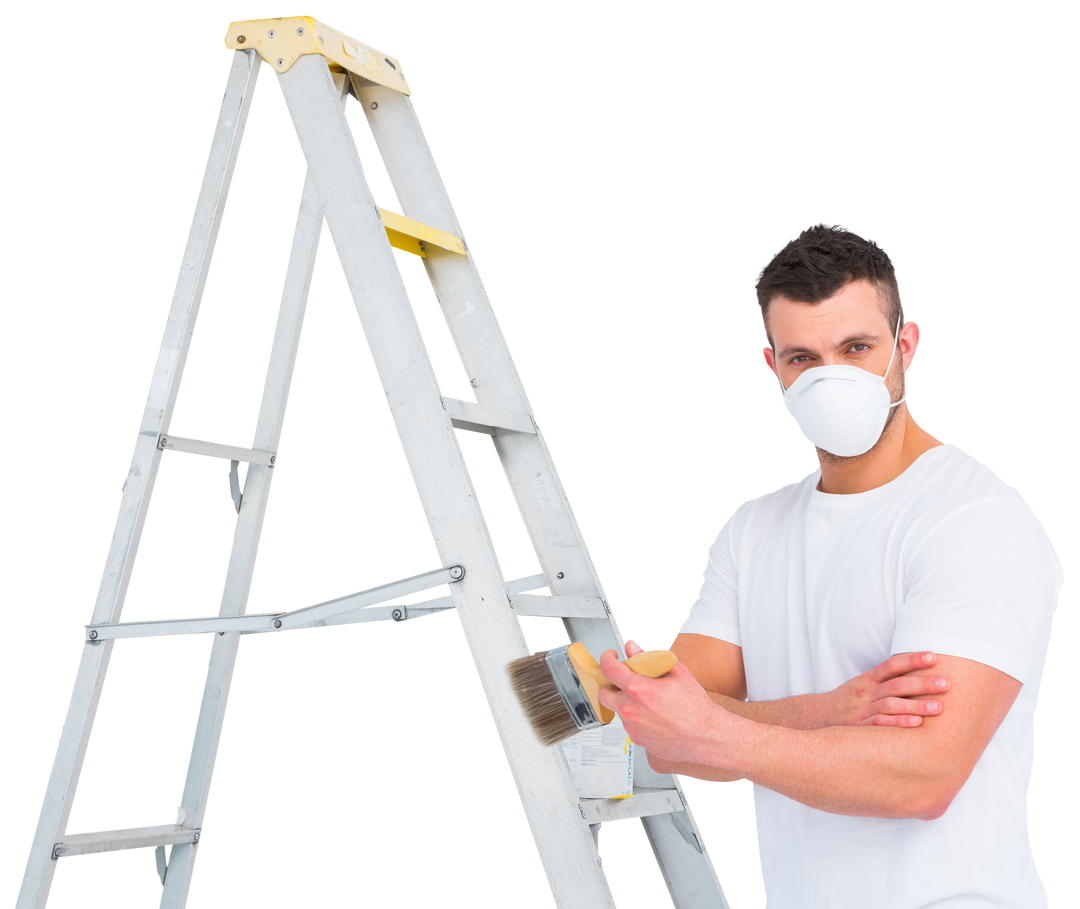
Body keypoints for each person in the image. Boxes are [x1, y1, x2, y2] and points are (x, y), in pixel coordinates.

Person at [597, 220, 1063, 907]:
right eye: (802, 358)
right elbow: (669, 738)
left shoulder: (976, 518)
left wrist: (719, 727)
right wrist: (824, 710)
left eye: (856, 347)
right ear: (772, 368)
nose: (830, 377)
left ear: (905, 345)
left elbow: (922, 776)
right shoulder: (752, 528)